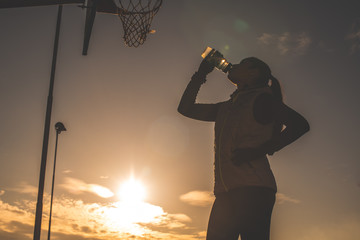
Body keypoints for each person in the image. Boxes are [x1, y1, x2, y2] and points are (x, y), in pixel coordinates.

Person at [177, 57, 310, 240]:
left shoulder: (263, 99)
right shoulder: (226, 108)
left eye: (242, 63)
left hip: (254, 190)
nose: (234, 65)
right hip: (226, 192)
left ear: (253, 73)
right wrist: (200, 75)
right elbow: (185, 108)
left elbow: (300, 125)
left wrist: (260, 150)